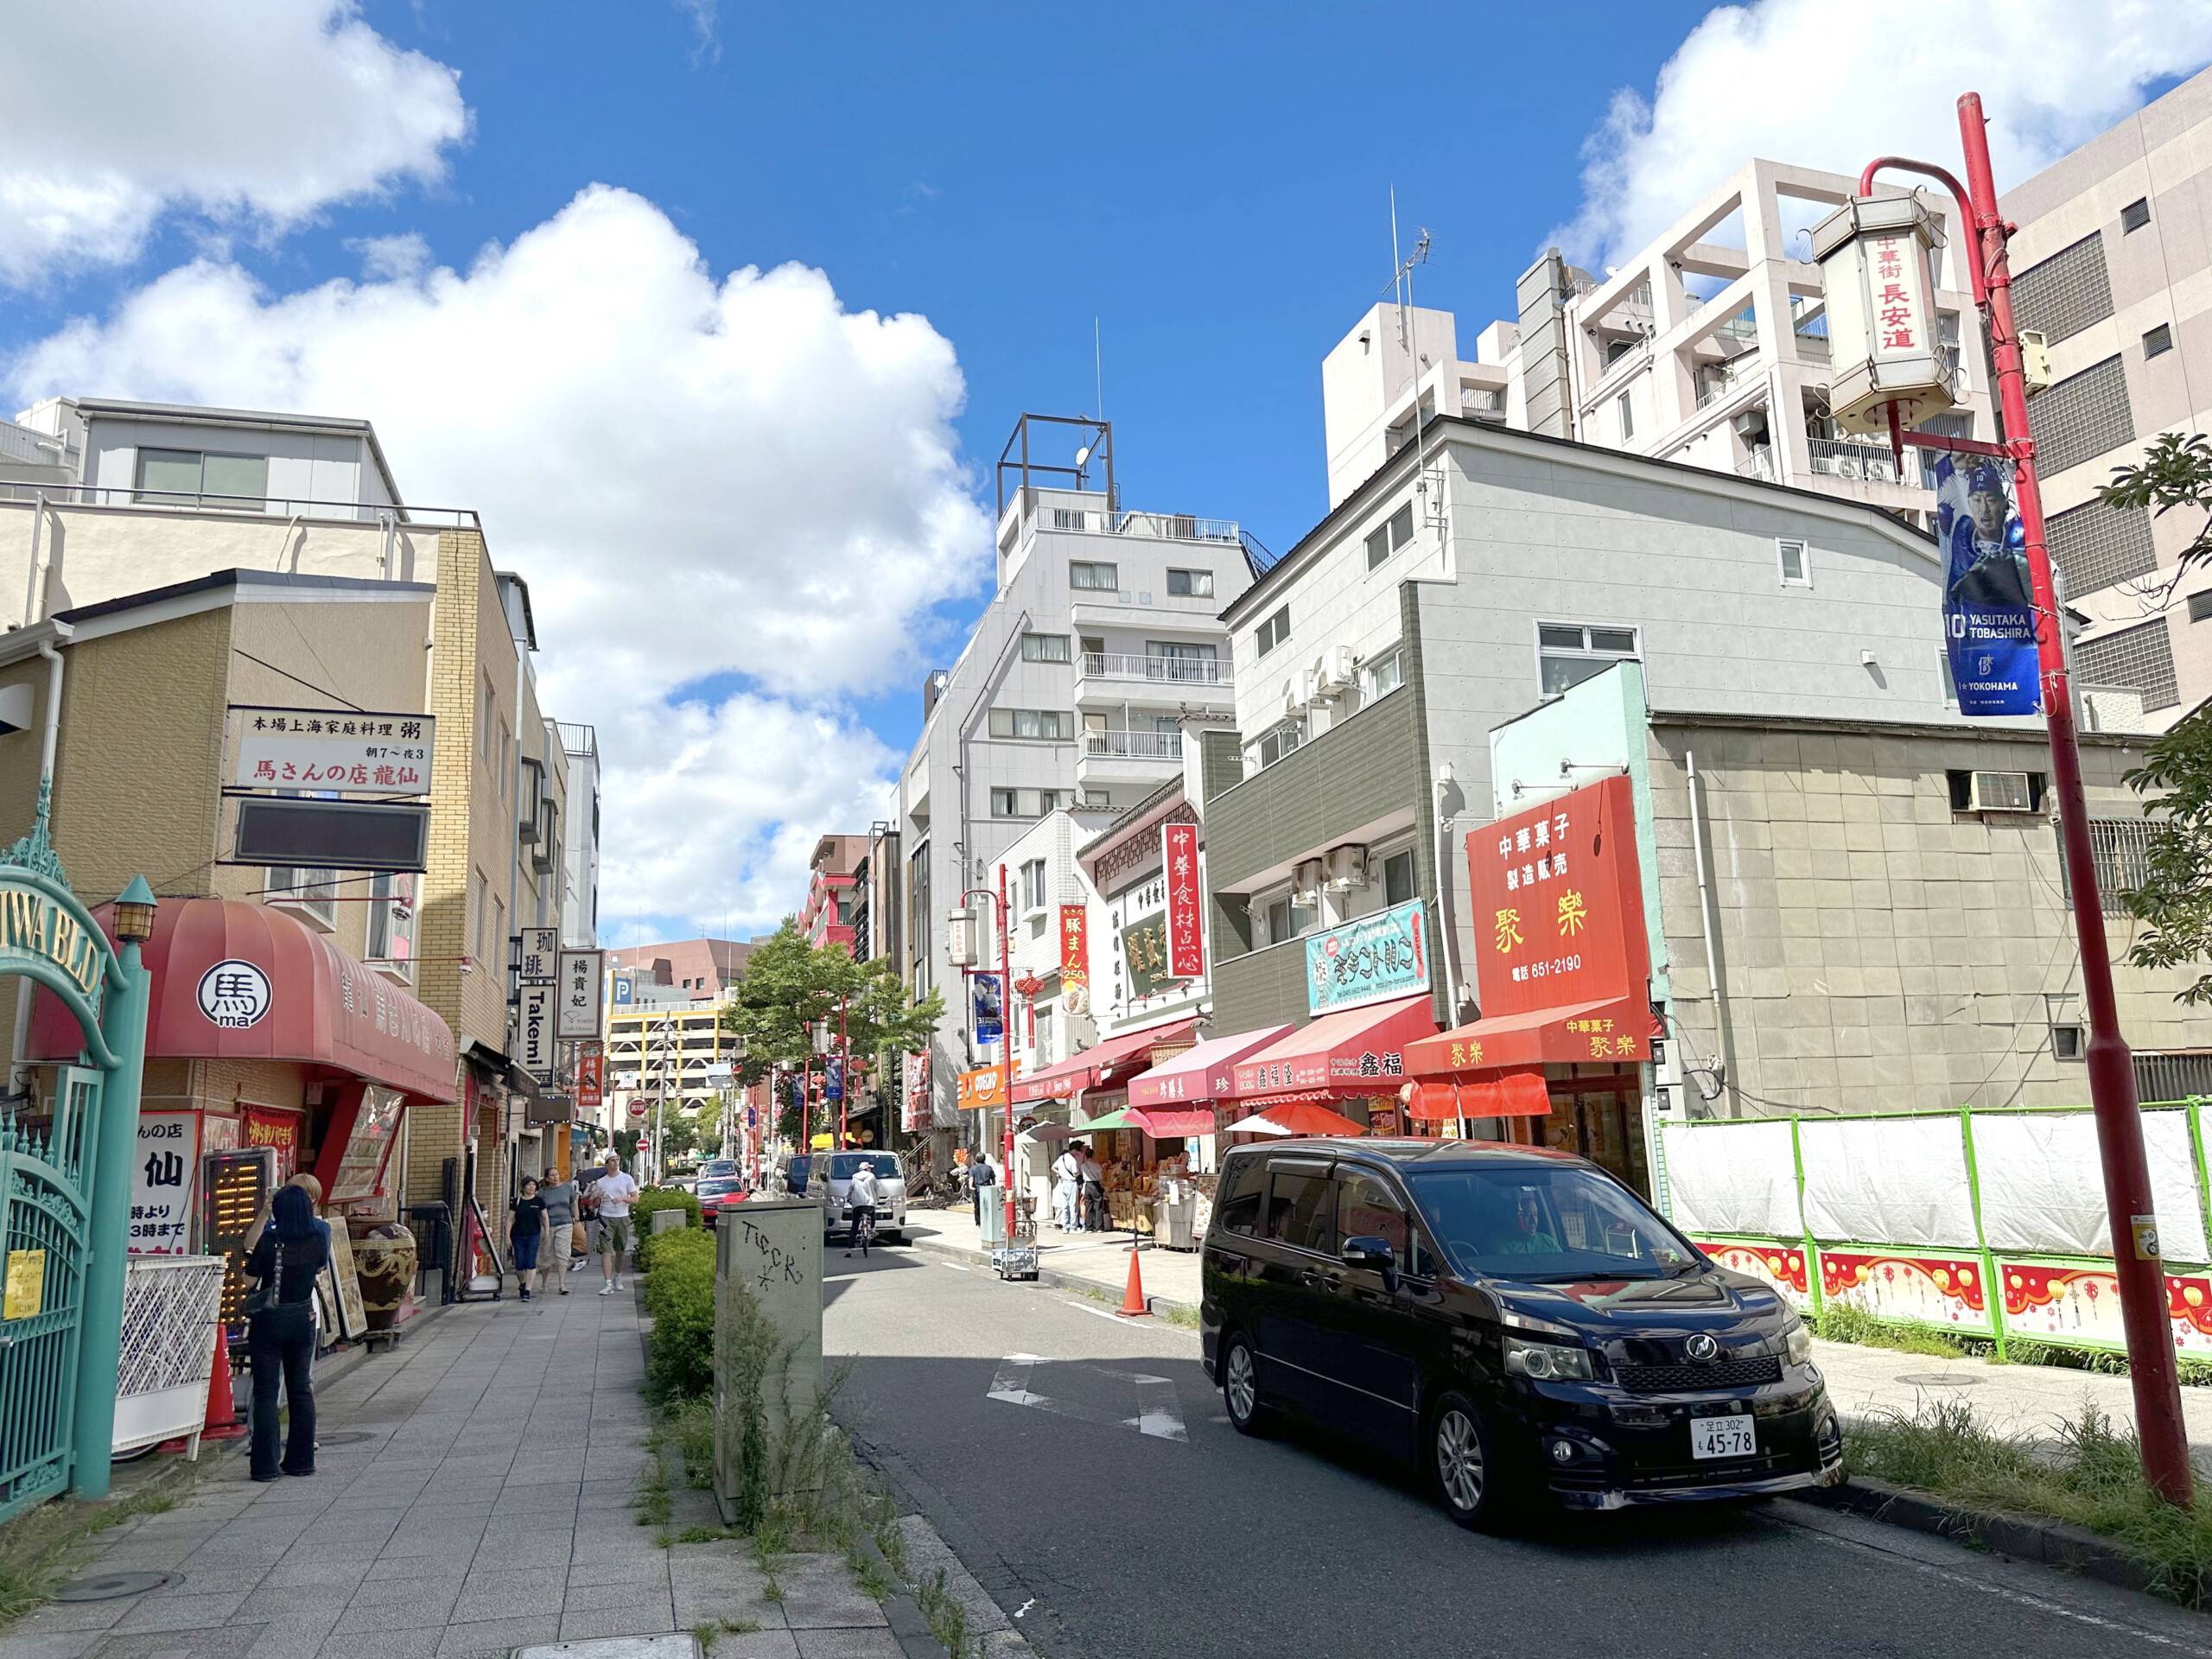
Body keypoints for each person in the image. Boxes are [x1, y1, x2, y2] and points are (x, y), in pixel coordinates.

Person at [243, 1185, 329, 1482]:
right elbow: (319, 1270)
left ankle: (265, 1466)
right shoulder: (318, 1238)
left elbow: (249, 1281)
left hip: (270, 1320)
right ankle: (301, 1461)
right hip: (303, 1317)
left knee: (267, 1393)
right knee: (301, 1389)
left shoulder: (271, 1240)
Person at [594, 1152, 641, 1294]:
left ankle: (617, 1276)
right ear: (607, 1164)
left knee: (620, 1250)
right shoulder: (601, 1182)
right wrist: (598, 1196)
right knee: (606, 1251)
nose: (615, 1162)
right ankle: (607, 1283)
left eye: (617, 1160)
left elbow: (635, 1199)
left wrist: (622, 1199)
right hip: (605, 1217)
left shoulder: (626, 1178)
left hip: (622, 1217)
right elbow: (595, 1204)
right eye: (612, 1160)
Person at [539, 1169, 579, 1292]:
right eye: (552, 1175)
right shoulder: (543, 1192)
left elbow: (574, 1203)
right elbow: (539, 1210)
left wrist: (576, 1217)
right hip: (548, 1226)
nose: (555, 1177)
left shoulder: (567, 1188)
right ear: (547, 1179)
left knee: (563, 1253)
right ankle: (544, 1283)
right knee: (546, 1253)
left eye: (556, 1174)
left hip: (565, 1223)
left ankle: (562, 1284)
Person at [510, 1177, 548, 1300]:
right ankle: (523, 1283)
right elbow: (510, 1219)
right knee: (520, 1264)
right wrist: (507, 1236)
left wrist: (547, 1232)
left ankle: (528, 1290)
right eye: (528, 1185)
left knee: (531, 1262)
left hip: (534, 1234)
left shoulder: (539, 1201)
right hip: (518, 1235)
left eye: (533, 1185)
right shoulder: (517, 1201)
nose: (531, 1187)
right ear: (523, 1187)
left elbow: (545, 1217)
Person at [844, 1158, 880, 1258]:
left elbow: (850, 1189)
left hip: (857, 1205)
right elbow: (877, 1189)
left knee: (854, 1227)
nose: (870, 1169)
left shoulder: (854, 1177)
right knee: (873, 1213)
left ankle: (849, 1250)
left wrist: (849, 1197)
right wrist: (876, 1199)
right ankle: (872, 1229)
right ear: (867, 1169)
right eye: (869, 1168)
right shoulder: (871, 1176)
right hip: (869, 1204)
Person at [1052, 1142, 1081, 1233]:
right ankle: (1073, 1227)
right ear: (1074, 1150)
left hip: (1063, 1183)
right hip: (1071, 1183)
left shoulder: (1062, 1158)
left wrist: (1061, 1173)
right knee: (1073, 1206)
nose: (1078, 1153)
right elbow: (1076, 1173)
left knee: (1065, 1206)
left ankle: (1065, 1227)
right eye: (1078, 1150)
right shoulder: (1073, 1160)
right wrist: (1079, 1174)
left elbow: (1053, 1167)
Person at [1078, 1143, 1106, 1233]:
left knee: (1088, 1206)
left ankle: (1089, 1226)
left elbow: (1082, 1174)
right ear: (1093, 1155)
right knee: (1098, 1206)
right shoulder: (1097, 1165)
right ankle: (1099, 1227)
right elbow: (1101, 1176)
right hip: (1095, 1184)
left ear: (1085, 1156)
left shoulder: (1083, 1165)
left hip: (1087, 1185)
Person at [969, 1146, 996, 1228]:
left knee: (977, 1207)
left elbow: (971, 1178)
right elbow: (993, 1179)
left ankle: (978, 1223)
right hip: (987, 1189)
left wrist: (971, 1186)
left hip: (977, 1189)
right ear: (984, 1159)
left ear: (976, 1159)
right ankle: (988, 1221)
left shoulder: (973, 1169)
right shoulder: (989, 1168)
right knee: (988, 1206)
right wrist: (993, 1186)